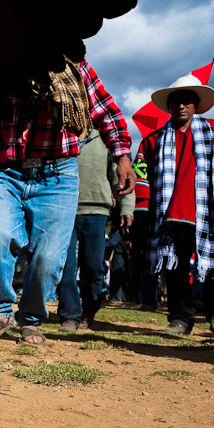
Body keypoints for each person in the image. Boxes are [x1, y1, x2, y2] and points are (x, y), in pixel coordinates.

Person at [0, 58, 135, 345]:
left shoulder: (69, 64)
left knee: (48, 257)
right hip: (7, 171)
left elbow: (104, 109)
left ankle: (31, 319)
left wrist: (122, 155)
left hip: (57, 173)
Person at [133, 73, 214, 335]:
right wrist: (141, 209)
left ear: (196, 105)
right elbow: (142, 175)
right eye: (176, 101)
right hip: (168, 215)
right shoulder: (152, 141)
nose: (181, 105)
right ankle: (180, 319)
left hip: (208, 212)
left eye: (187, 100)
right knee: (174, 266)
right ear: (169, 106)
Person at [57, 129, 136, 331]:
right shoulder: (60, 133)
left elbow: (121, 174)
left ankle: (89, 311)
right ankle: (69, 316)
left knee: (93, 267)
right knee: (65, 266)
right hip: (63, 207)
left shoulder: (106, 137)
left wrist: (126, 207)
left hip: (97, 210)